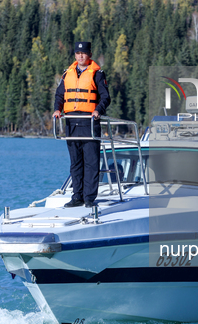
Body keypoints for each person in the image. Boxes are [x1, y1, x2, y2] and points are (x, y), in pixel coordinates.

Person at [53, 42, 111, 208]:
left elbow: (105, 97)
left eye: (83, 53)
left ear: (89, 54)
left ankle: (89, 198)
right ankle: (77, 196)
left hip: (89, 121)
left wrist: (98, 110)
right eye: (78, 53)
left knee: (91, 161)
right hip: (71, 121)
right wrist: (57, 110)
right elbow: (59, 95)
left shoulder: (97, 74)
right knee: (75, 162)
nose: (80, 56)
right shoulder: (67, 74)